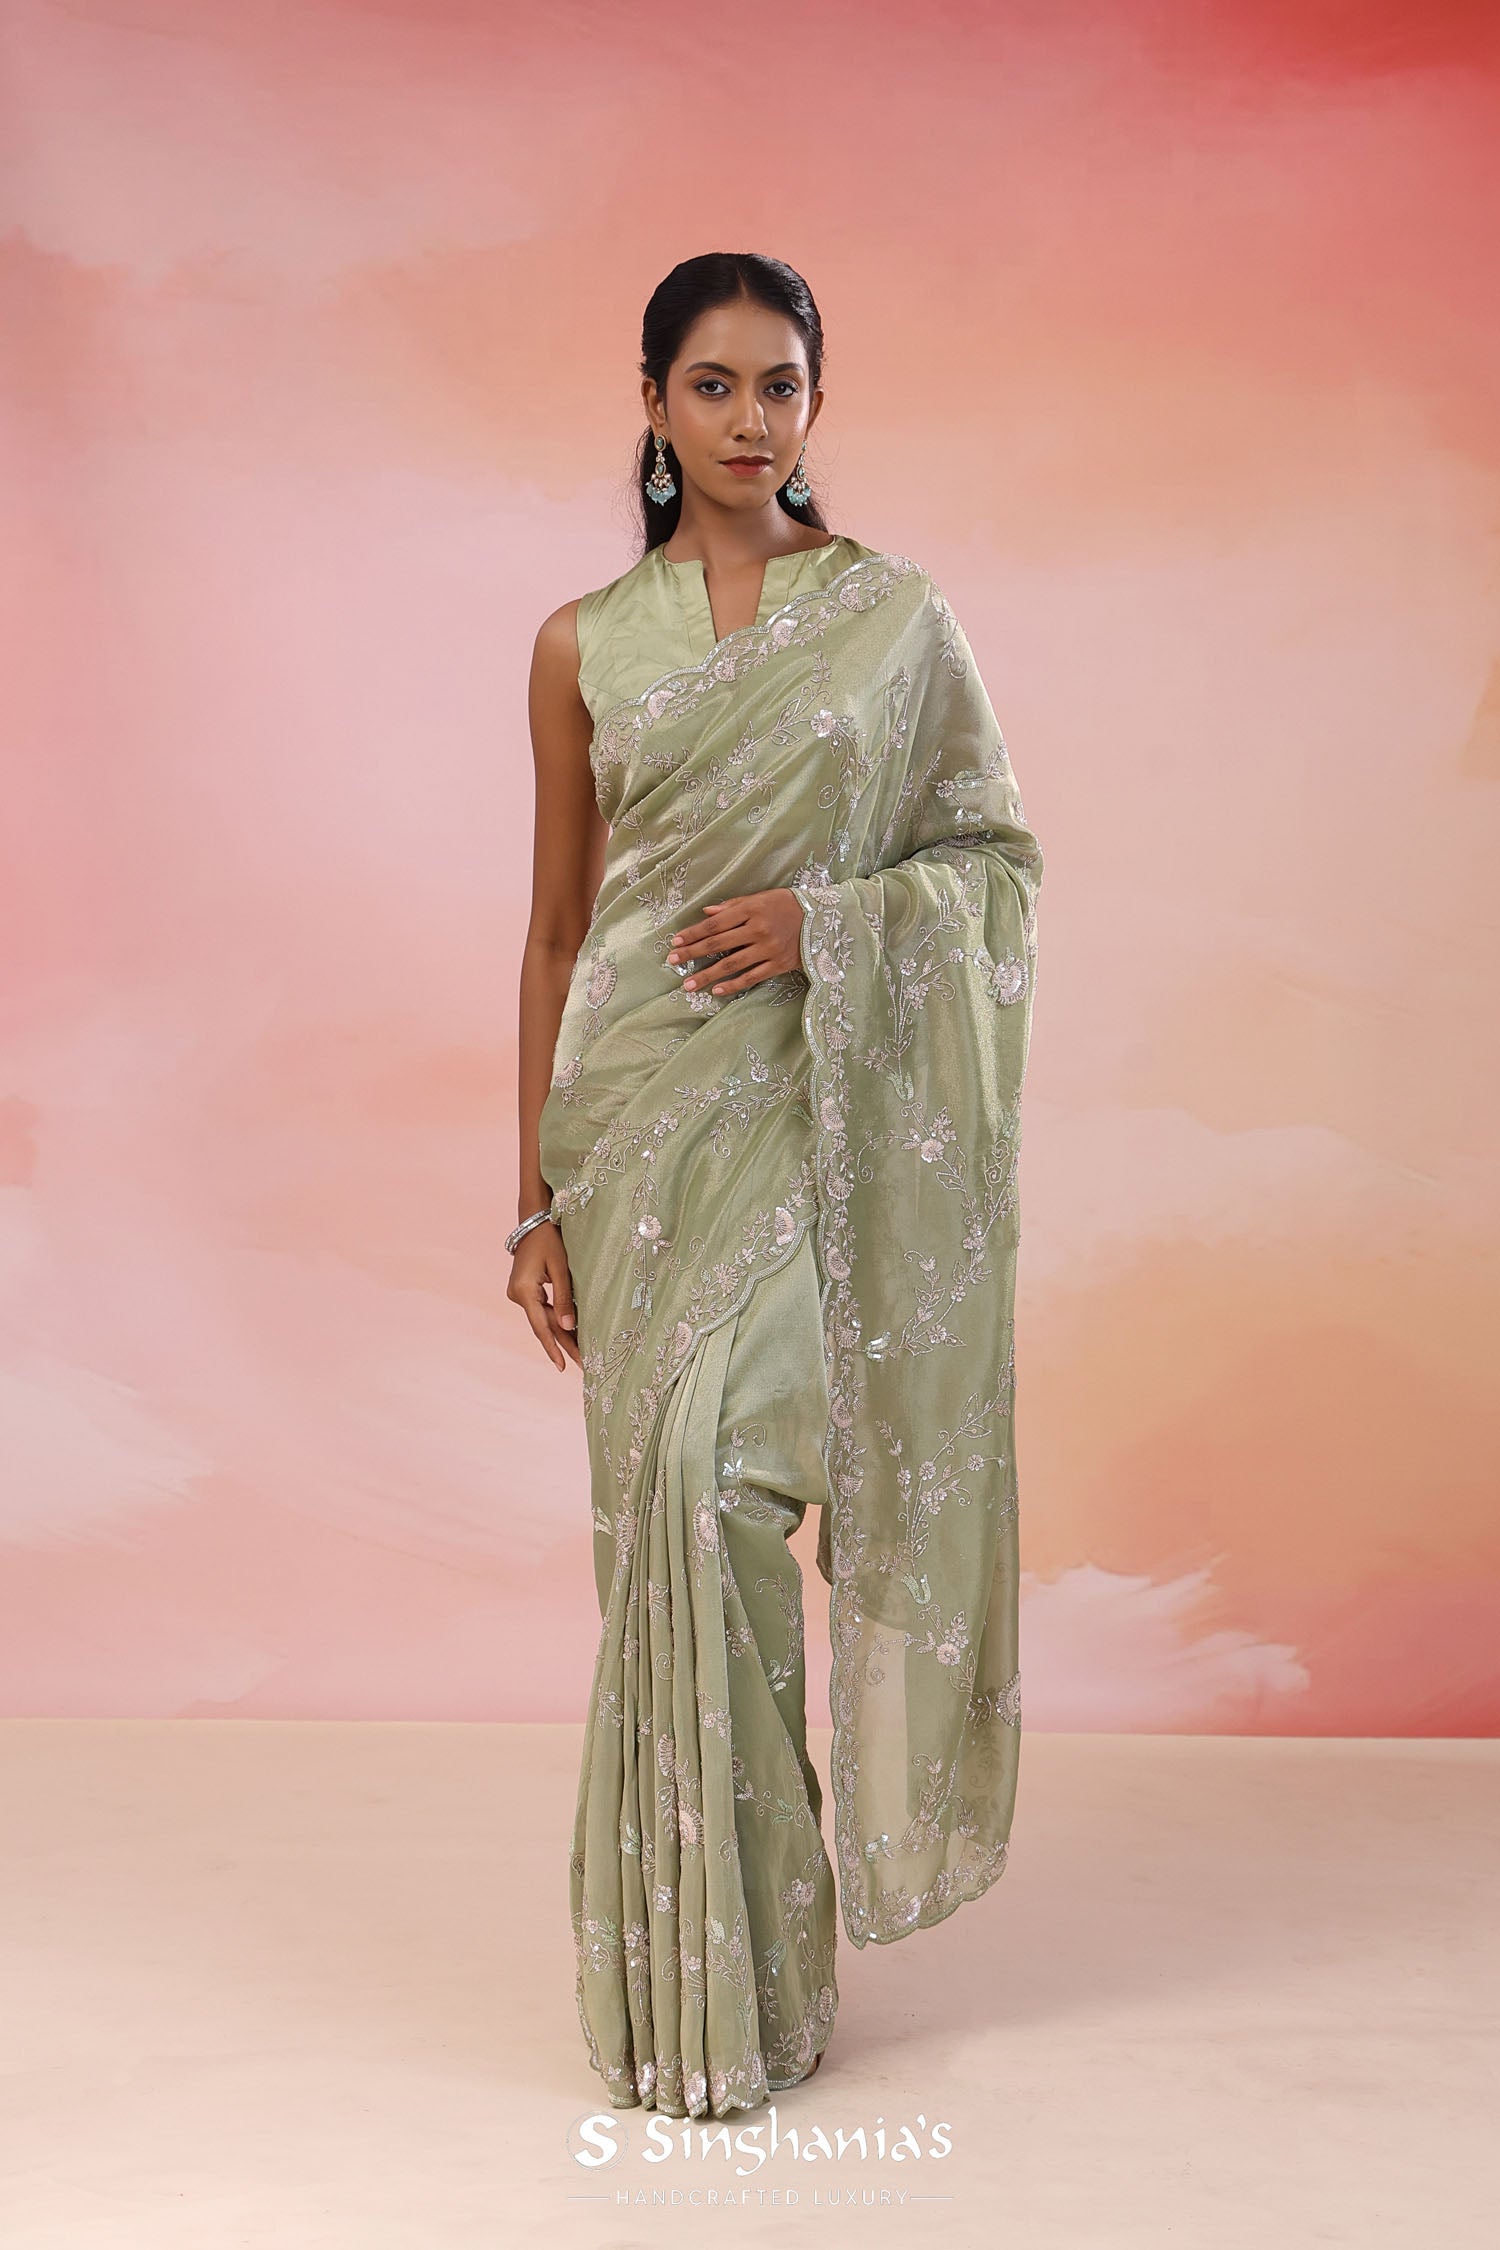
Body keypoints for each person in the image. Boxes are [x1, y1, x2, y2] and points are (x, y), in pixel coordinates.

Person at [512, 252, 1043, 2124]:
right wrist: (533, 1198)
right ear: (654, 402)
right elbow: (559, 926)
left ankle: (756, 1959)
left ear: (818, 402)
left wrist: (829, 920)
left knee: (734, 1480)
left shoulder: (892, 621)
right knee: (665, 1522)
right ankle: (689, 1980)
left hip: (811, 1117)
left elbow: (994, 864)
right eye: (715, 385)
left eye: (782, 385)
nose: (751, 420)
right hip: (636, 1127)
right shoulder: (584, 641)